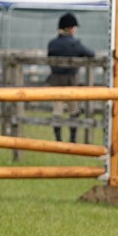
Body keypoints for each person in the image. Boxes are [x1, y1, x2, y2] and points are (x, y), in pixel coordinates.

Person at [47, 13, 95, 142]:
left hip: (55, 80)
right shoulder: (75, 43)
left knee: (57, 110)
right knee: (73, 110)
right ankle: (73, 139)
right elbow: (91, 54)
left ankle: (58, 139)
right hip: (71, 80)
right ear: (69, 28)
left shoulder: (52, 44)